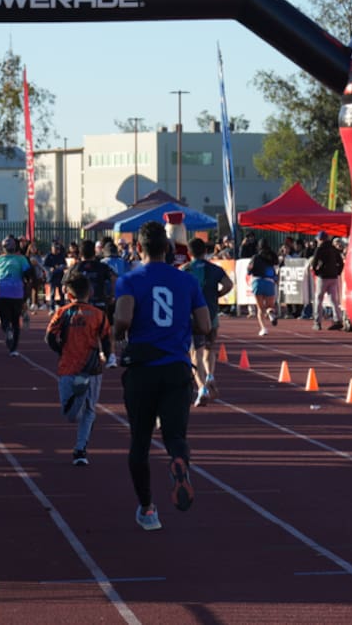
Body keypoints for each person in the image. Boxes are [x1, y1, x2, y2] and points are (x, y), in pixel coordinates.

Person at [112, 221, 210, 531]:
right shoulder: (187, 282)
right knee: (176, 436)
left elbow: (124, 318)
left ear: (138, 248)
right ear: (168, 250)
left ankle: (148, 509)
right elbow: (205, 325)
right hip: (177, 367)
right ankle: (179, 461)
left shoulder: (130, 280)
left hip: (142, 368)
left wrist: (117, 335)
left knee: (139, 441)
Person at [46, 274, 112, 465]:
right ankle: (81, 447)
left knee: (75, 413)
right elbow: (106, 339)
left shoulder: (62, 312)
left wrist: (61, 350)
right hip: (89, 367)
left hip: (72, 366)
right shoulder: (98, 314)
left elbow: (50, 337)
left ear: (67, 294)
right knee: (86, 411)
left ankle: (80, 450)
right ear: (90, 292)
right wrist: (107, 356)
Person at [181, 237, 233, 406]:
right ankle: (210, 374)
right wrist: (217, 295)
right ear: (205, 251)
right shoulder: (215, 269)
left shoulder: (185, 270)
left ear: (189, 253)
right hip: (212, 316)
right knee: (210, 348)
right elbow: (229, 284)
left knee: (195, 353)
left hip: (193, 317)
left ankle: (202, 387)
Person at [0, 237, 33, 356]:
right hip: (16, 292)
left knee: (4, 318)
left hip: (1, 291)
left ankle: (6, 329)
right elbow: (28, 274)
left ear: (3, 249)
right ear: (15, 248)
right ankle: (13, 349)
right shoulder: (22, 259)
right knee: (16, 320)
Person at [309, 230, 349, 331]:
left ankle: (317, 322)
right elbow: (341, 262)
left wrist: (317, 272)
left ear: (319, 239)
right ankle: (337, 320)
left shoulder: (319, 249)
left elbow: (314, 263)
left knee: (318, 299)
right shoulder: (333, 249)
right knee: (333, 300)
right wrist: (338, 272)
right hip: (333, 277)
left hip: (323, 277)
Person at [248, 239, 279, 337]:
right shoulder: (273, 257)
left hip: (257, 282)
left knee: (260, 308)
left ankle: (263, 328)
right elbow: (276, 269)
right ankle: (270, 312)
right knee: (270, 305)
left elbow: (249, 270)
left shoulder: (255, 257)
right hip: (269, 282)